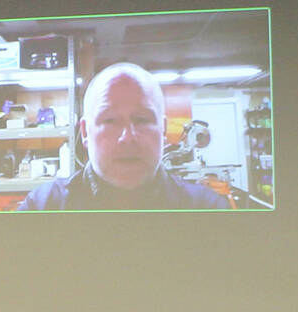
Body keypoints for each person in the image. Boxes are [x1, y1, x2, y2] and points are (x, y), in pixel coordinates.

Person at [18, 62, 223, 211]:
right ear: (85, 132)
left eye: (142, 119)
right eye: (110, 121)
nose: (127, 138)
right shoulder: (43, 208)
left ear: (163, 130)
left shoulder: (208, 211)